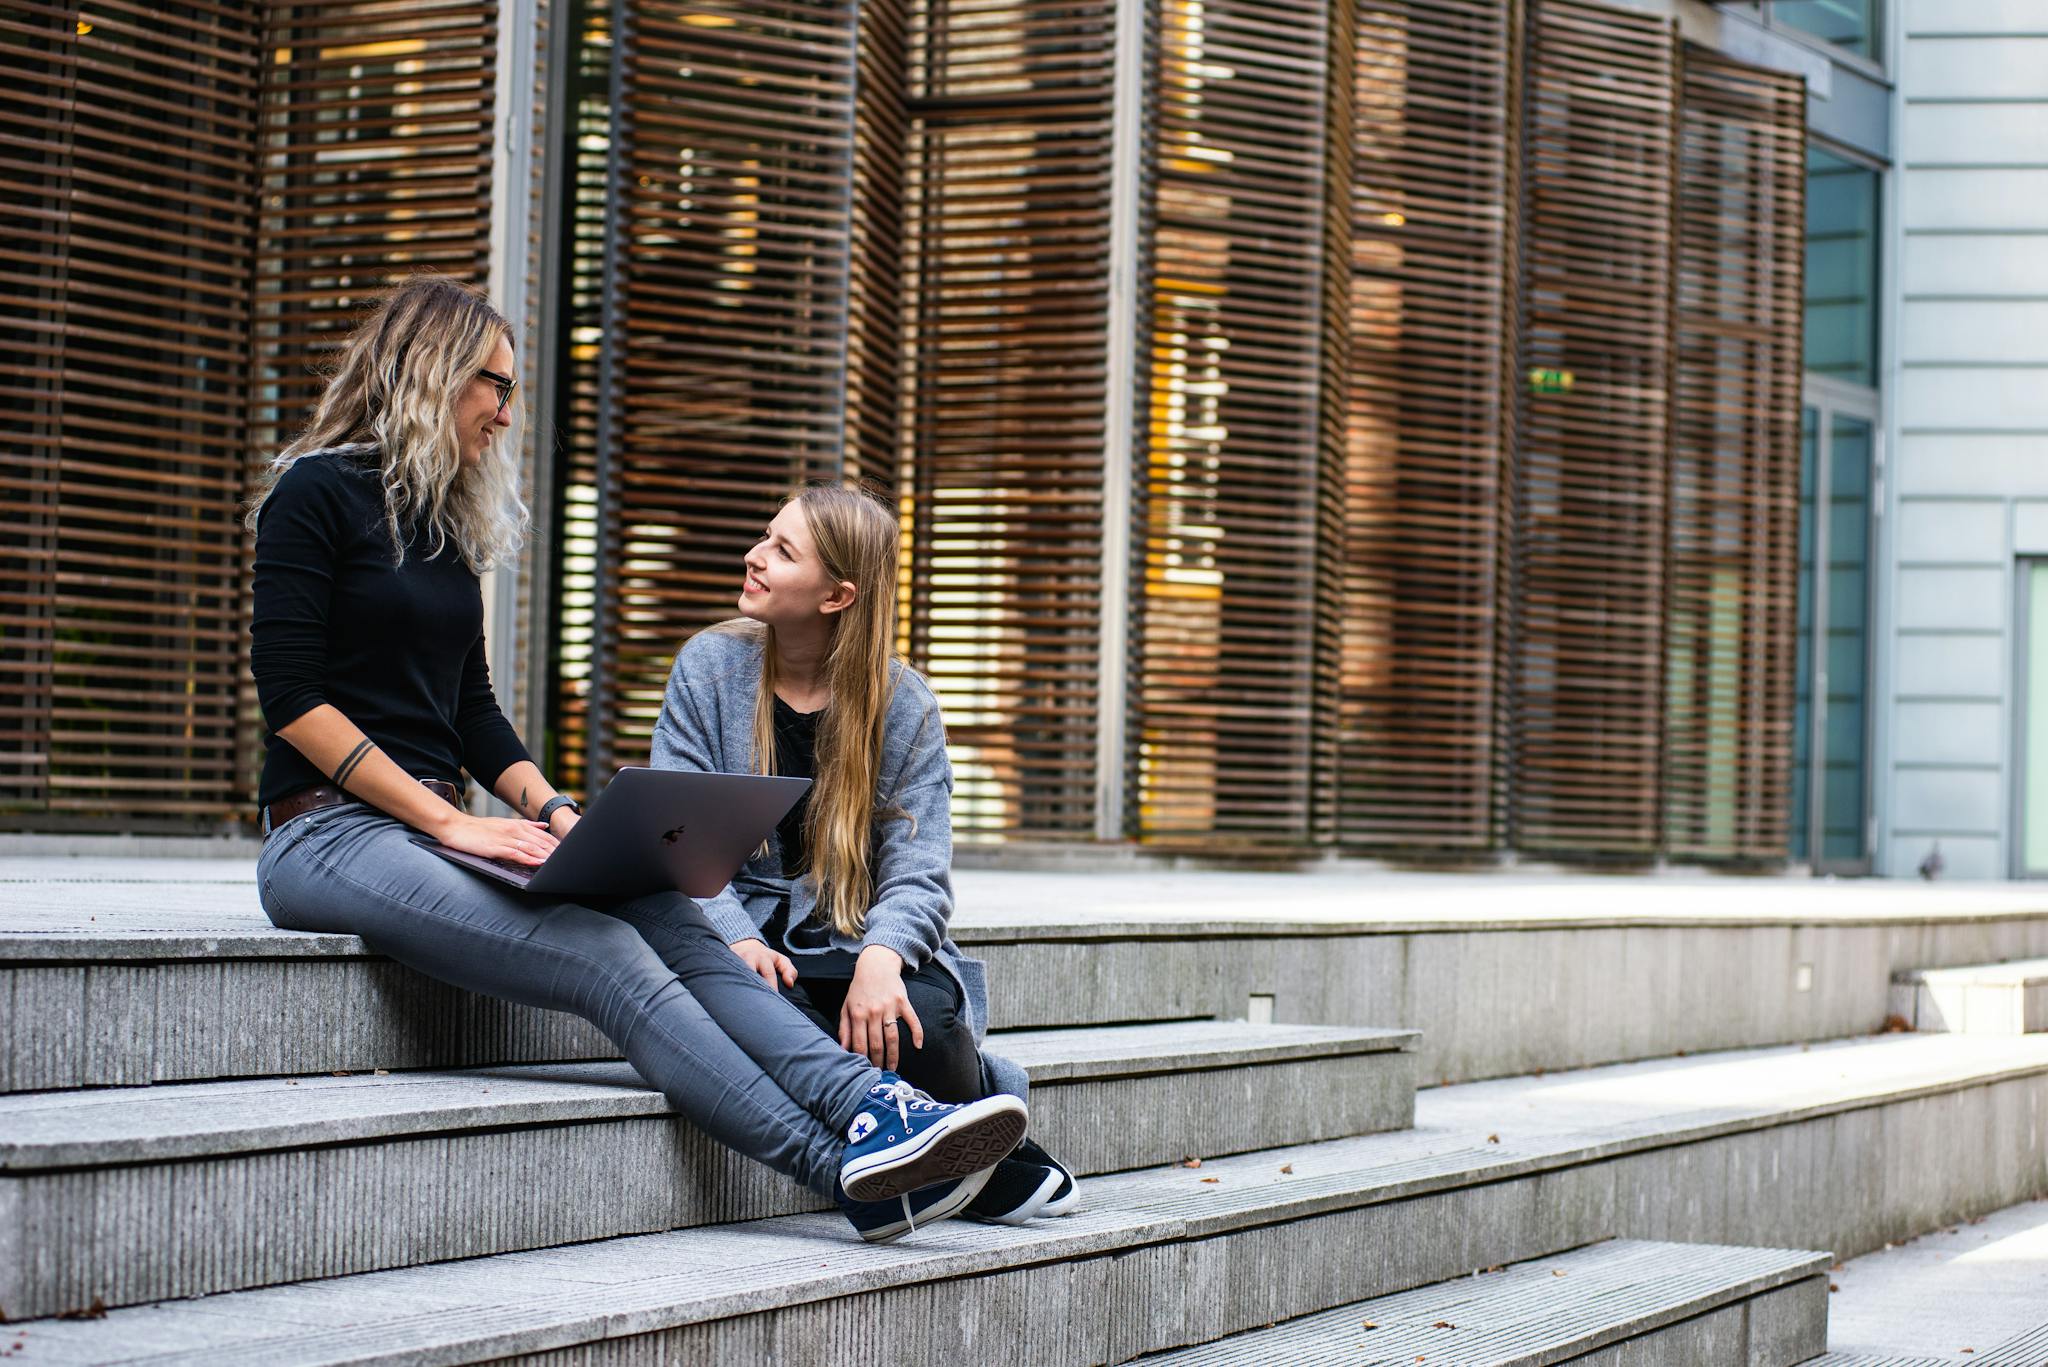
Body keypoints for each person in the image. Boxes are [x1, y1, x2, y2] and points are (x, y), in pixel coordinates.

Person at [246, 274, 1026, 1244]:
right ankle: (843, 1170)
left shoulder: (443, 528)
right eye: (496, 382)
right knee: (607, 954)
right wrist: (447, 818)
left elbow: (475, 714)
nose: (505, 407)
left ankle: (872, 1107)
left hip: (440, 831)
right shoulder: (313, 493)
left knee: (661, 904)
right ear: (432, 371)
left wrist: (565, 818)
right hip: (328, 834)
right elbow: (290, 699)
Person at [649, 483, 1079, 1227]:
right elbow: (674, 830)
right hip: (745, 938)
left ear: (837, 594)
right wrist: (736, 934)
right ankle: (990, 1163)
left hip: (853, 937)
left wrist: (883, 958)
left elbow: (920, 867)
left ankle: (955, 1131)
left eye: (782, 551)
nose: (754, 556)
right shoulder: (709, 666)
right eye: (764, 535)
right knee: (761, 1013)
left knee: (925, 1021)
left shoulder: (903, 701)